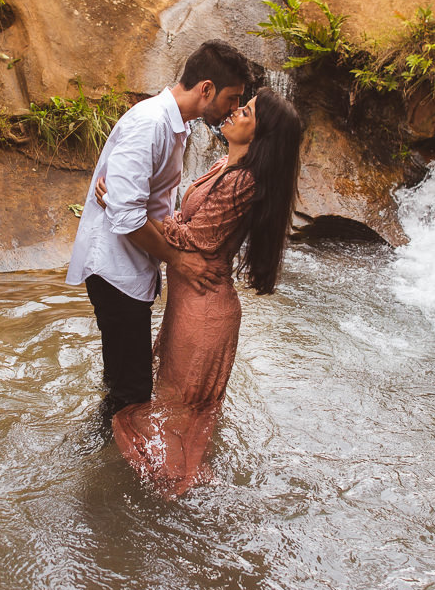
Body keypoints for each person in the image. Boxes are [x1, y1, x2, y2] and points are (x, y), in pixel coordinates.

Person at [105, 87, 303, 499]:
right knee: (173, 408)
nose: (234, 112)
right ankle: (173, 488)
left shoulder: (244, 182)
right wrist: (142, 211)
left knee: (179, 411)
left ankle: (176, 501)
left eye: (245, 111)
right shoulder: (222, 166)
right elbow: (181, 224)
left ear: (260, 132)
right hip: (191, 302)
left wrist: (128, 207)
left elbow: (193, 239)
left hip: (206, 311)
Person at [66, 40, 252, 422]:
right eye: (233, 99)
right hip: (116, 271)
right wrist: (179, 261)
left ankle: (105, 450)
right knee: (131, 394)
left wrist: (118, 200)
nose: (234, 109)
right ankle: (100, 465)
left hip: (133, 269)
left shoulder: (175, 125)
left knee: (124, 381)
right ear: (206, 89)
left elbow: (138, 203)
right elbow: (128, 218)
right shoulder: (149, 123)